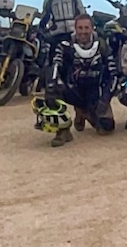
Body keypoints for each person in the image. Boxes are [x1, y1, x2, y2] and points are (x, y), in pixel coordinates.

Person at [49, 14, 117, 147]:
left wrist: (105, 98)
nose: (83, 31)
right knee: (51, 91)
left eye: (86, 27)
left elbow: (113, 74)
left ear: (92, 28)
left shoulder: (103, 46)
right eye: (80, 28)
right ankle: (62, 130)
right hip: (73, 88)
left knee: (106, 127)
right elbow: (55, 67)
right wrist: (54, 84)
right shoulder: (64, 46)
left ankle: (84, 112)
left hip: (95, 91)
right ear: (75, 28)